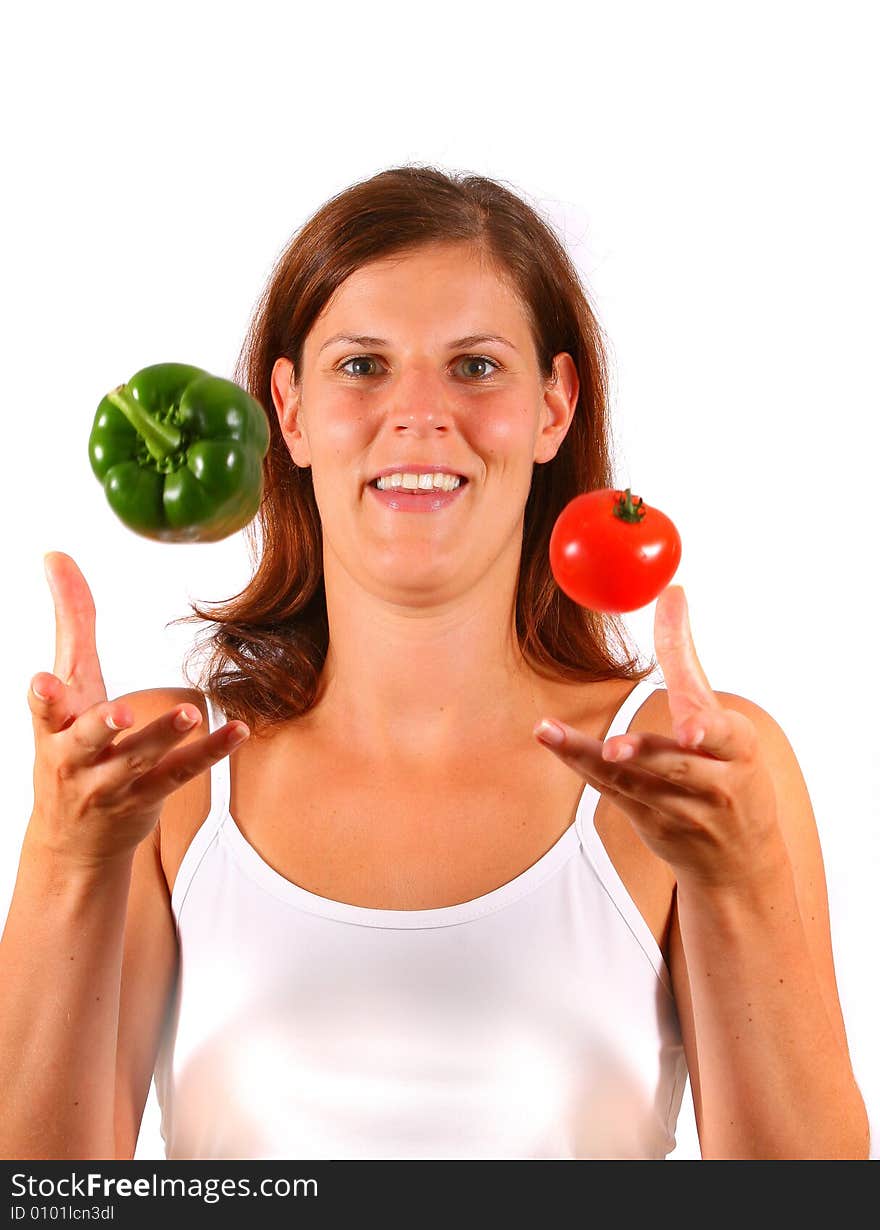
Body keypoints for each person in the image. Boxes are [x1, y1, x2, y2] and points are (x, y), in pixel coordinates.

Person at [1, 166, 870, 1161]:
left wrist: (740, 878)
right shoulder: (160, 776)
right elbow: (48, 1200)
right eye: (363, 367)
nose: (418, 413)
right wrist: (72, 859)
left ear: (554, 406)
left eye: (475, 367)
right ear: (287, 411)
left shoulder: (692, 767)